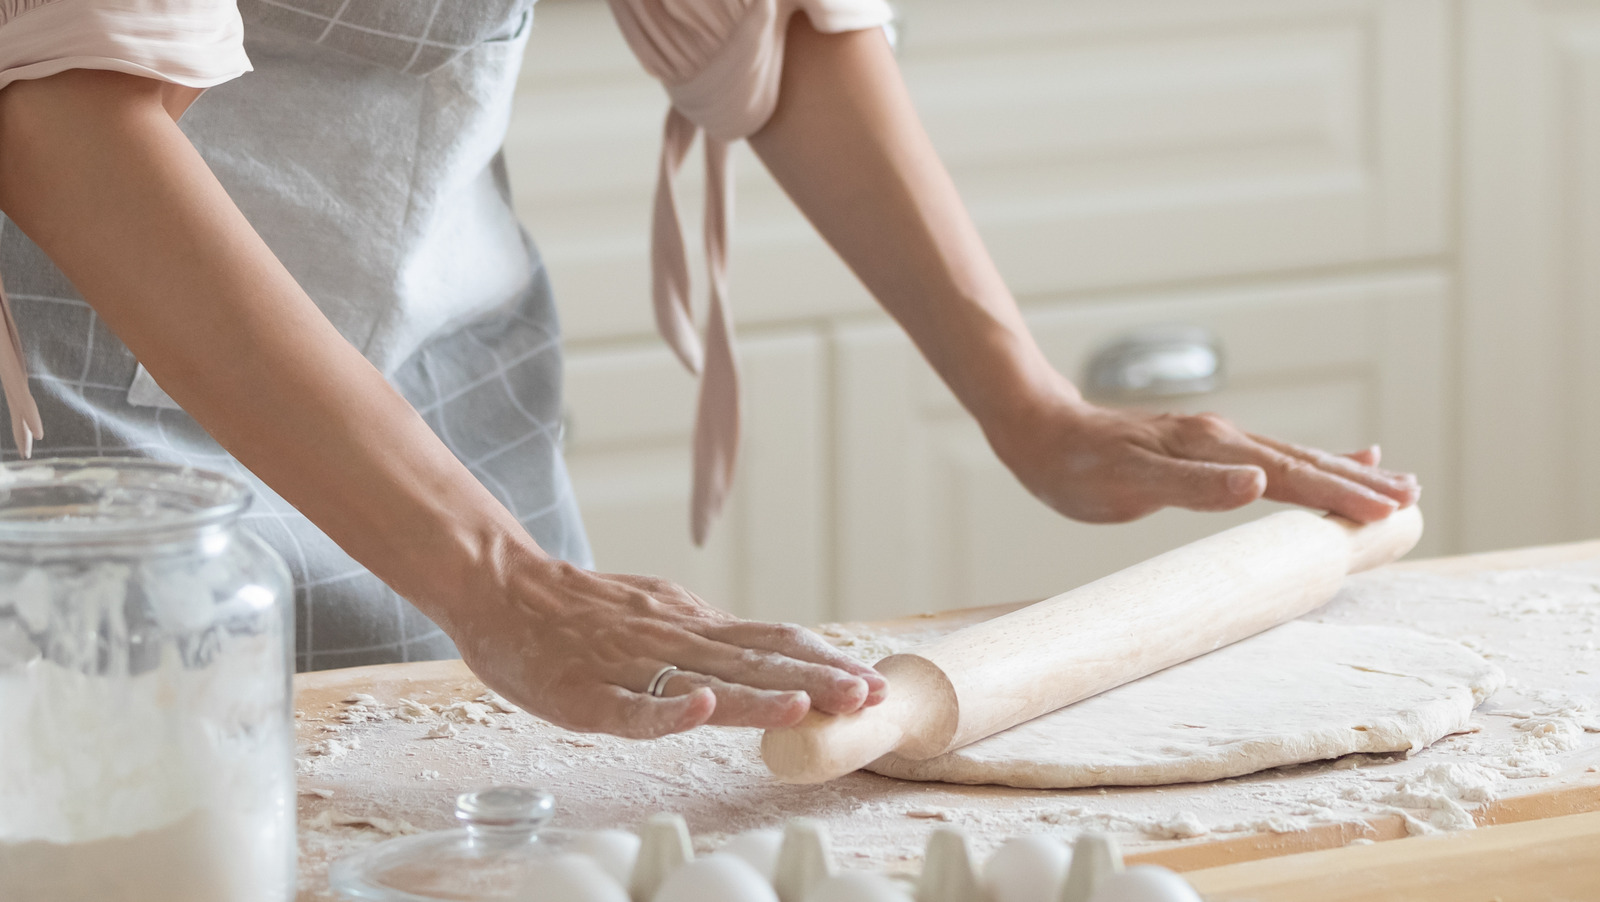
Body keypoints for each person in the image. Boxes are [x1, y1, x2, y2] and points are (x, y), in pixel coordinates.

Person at [0, 0, 1418, 740]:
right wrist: (493, 580)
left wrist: (1027, 405)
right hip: (63, 391)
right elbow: (63, 105)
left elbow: (778, 22)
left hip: (432, 349)